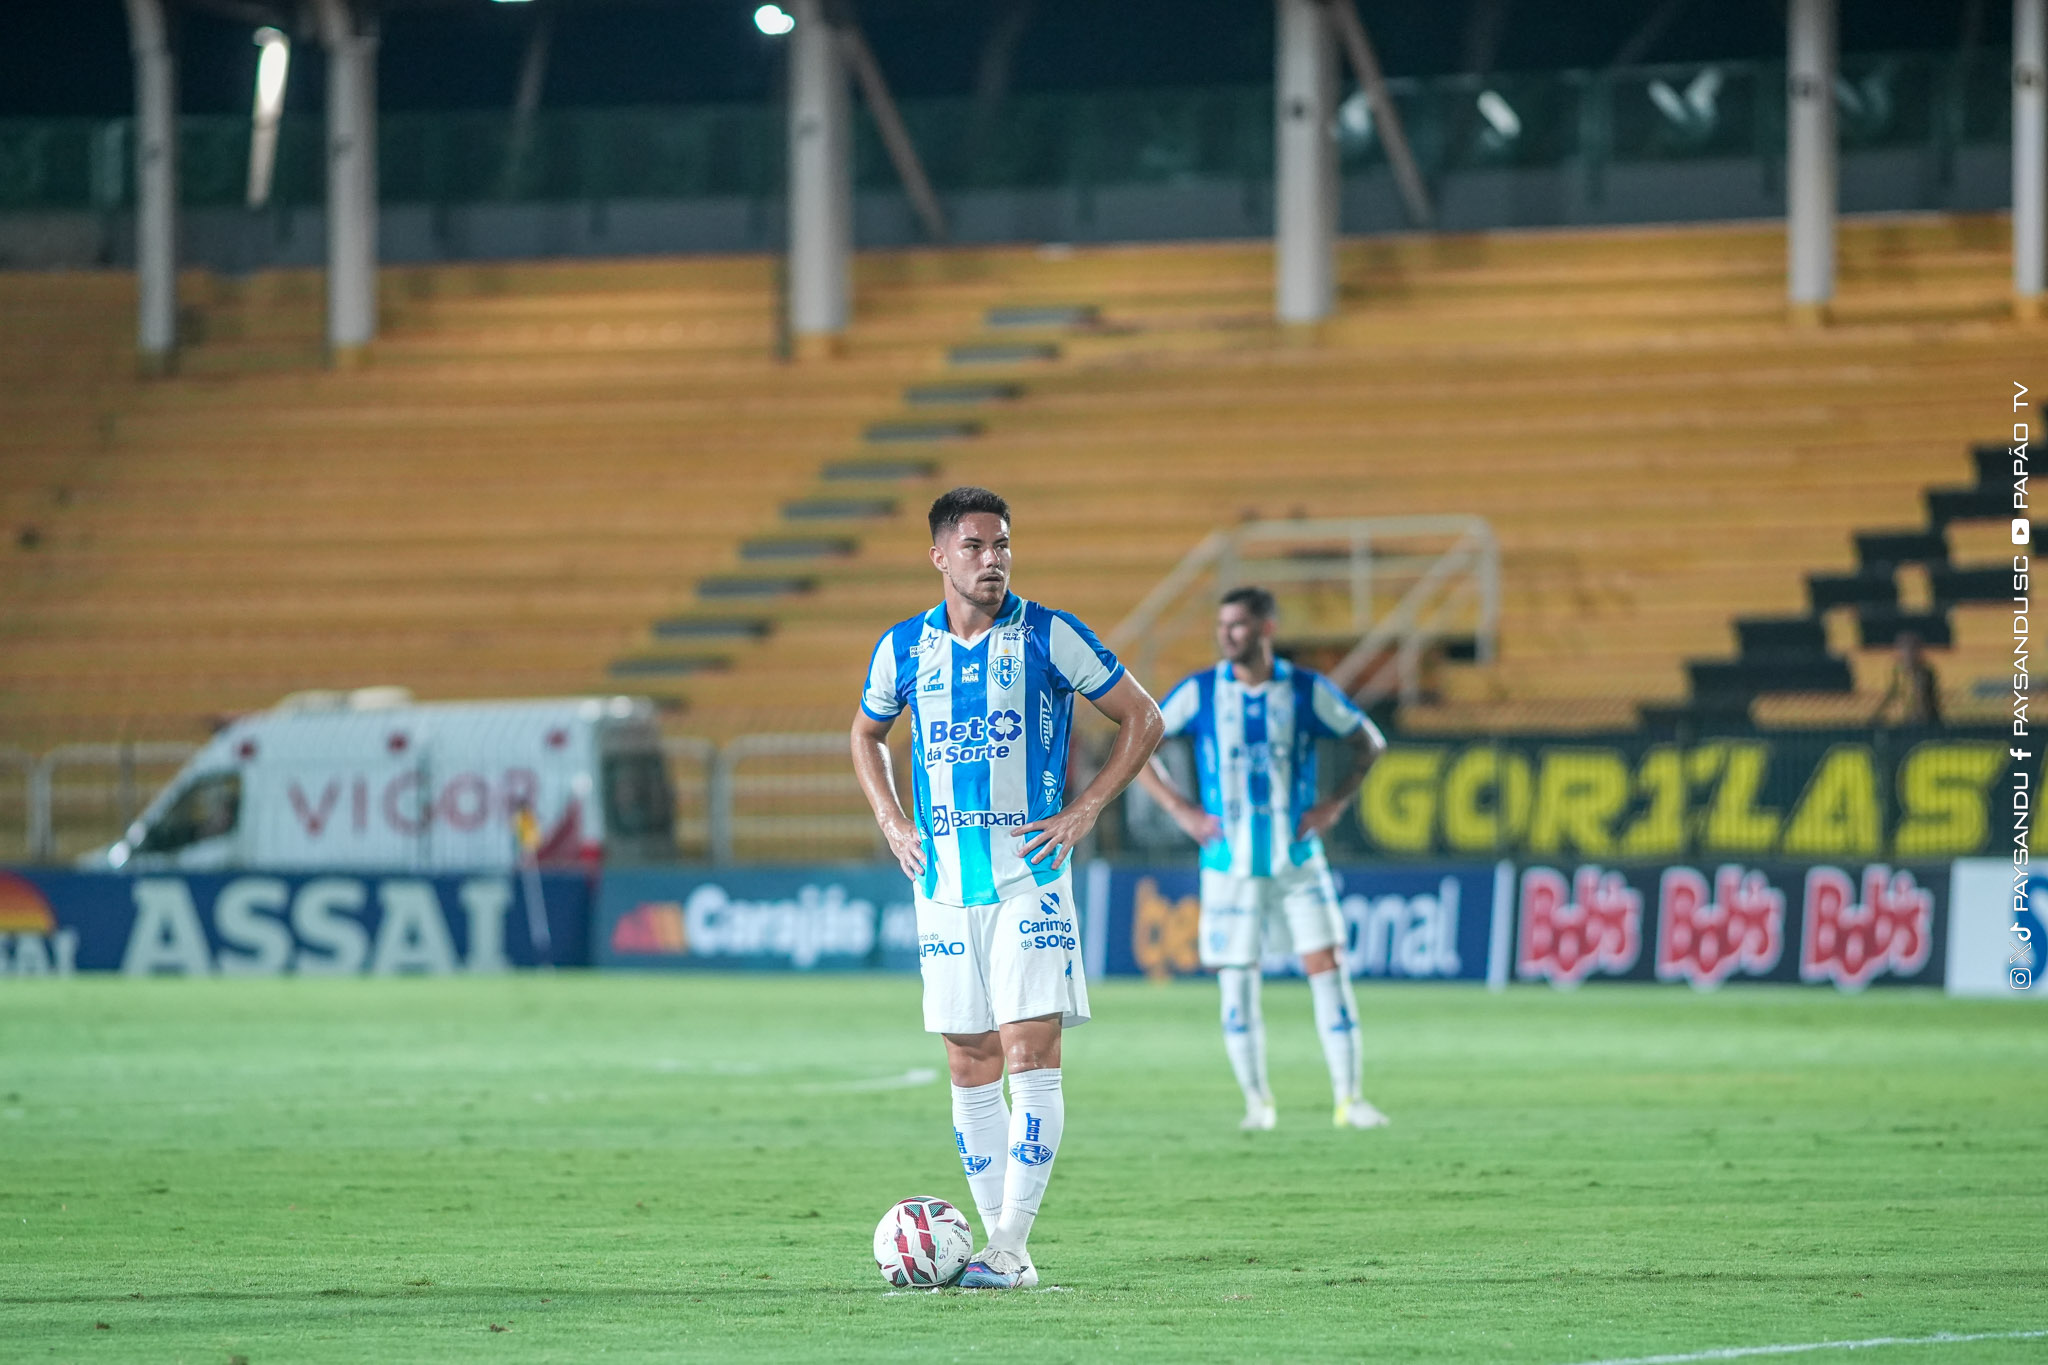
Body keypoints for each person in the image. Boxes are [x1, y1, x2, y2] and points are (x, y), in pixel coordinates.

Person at [850, 486, 1164, 1290]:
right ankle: (997, 1248)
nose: (992, 560)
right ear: (939, 556)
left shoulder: (1051, 634)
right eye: (975, 546)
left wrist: (1085, 809)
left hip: (1031, 876)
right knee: (969, 1060)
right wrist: (891, 819)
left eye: (1002, 546)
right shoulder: (902, 647)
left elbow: (1144, 716)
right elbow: (866, 732)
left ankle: (1010, 1244)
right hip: (943, 884)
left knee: (1030, 1051)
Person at [1135, 586, 1389, 1132]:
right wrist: (1182, 811)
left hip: (1296, 857)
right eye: (1222, 624)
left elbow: (1369, 742)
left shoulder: (1305, 690)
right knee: (1237, 981)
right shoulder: (1201, 691)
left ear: (1266, 629)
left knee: (1328, 967)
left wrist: (1334, 804)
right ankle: (1258, 1105)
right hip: (1228, 862)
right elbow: (1139, 742)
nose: (1227, 634)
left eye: (1239, 624)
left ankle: (1350, 1100)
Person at [1872, 631, 1941, 728]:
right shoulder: (1896, 670)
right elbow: (1891, 694)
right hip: (1903, 720)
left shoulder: (1924, 672)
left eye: (1912, 650)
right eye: (1904, 649)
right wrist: (1878, 714)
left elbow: (1923, 700)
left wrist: (1918, 717)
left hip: (1923, 721)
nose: (1908, 653)